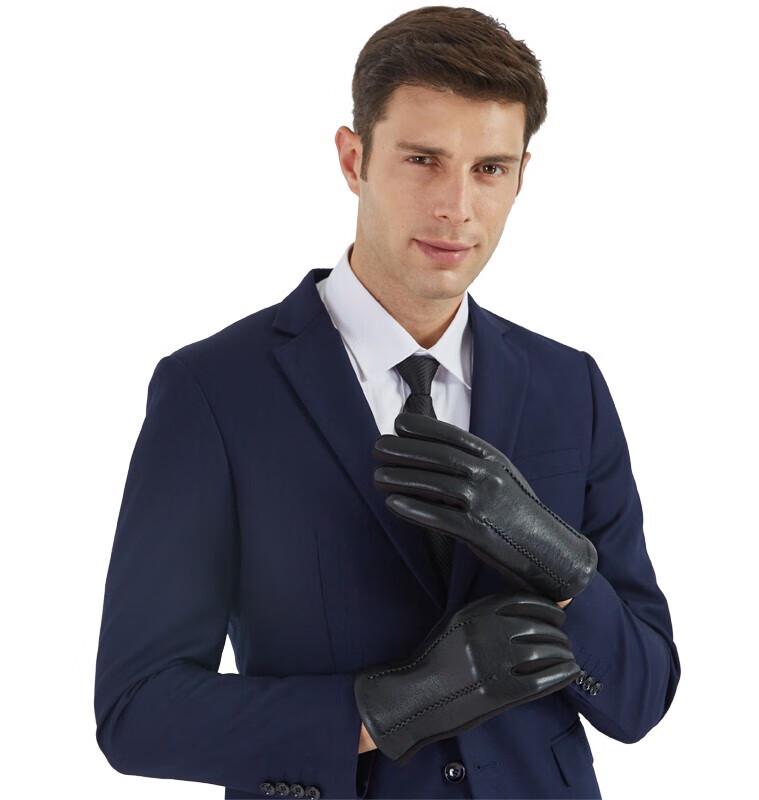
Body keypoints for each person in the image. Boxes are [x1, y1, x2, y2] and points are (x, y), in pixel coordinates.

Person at [94, 6, 680, 799]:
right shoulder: (214, 393)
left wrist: (558, 561)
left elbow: (641, 699)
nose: (456, 207)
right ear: (353, 158)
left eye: (489, 169)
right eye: (423, 159)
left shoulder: (568, 386)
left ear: (520, 176)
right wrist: (389, 707)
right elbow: (137, 711)